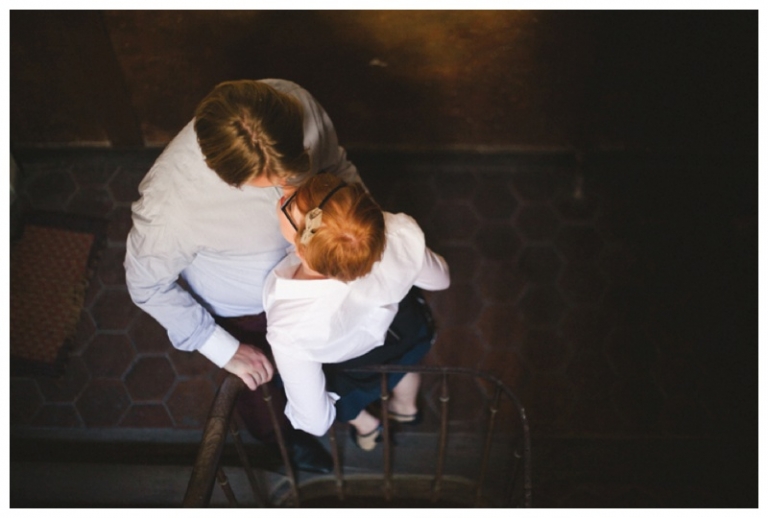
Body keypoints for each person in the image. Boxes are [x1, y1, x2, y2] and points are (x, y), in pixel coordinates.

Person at [125, 79, 361, 473]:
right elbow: (145, 284)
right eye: (273, 185)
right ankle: (281, 443)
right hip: (249, 309)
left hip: (321, 276)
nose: (290, 194)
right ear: (226, 175)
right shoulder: (170, 208)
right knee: (261, 389)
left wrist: (355, 229)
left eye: (295, 171)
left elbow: (335, 164)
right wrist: (221, 346)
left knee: (328, 353)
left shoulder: (296, 99)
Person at [265, 173, 450, 449]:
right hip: (400, 329)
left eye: (288, 207)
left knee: (322, 390)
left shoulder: (292, 325)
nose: (281, 197)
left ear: (302, 252)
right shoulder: (393, 231)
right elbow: (441, 280)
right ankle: (406, 408)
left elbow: (315, 420)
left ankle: (367, 425)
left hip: (348, 365)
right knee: (403, 367)